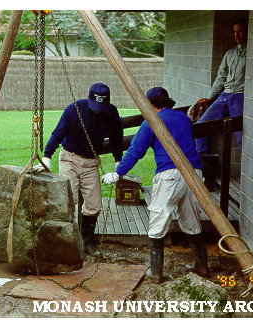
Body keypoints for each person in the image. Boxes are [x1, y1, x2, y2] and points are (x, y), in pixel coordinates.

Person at [102, 87, 208, 282]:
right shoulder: (183, 118)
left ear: (150, 105)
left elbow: (136, 151)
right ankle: (201, 266)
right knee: (191, 219)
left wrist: (117, 173)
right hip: (195, 173)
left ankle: (156, 272)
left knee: (158, 219)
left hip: (170, 175)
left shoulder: (152, 122)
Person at [33, 82, 123, 257]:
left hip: (91, 162)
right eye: (95, 106)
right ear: (88, 97)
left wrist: (118, 160)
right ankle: (65, 242)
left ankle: (86, 242)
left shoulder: (111, 112)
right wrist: (47, 156)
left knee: (94, 204)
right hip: (70, 158)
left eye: (101, 107)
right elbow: (58, 132)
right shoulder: (74, 110)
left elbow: (116, 137)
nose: (97, 110)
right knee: (67, 201)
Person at [195, 21, 247, 190]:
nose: (237, 35)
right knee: (202, 125)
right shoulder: (230, 53)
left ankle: (247, 179)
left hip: (240, 96)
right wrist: (209, 98)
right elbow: (220, 78)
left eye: (240, 31)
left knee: (241, 137)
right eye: (234, 32)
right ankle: (204, 172)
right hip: (225, 95)